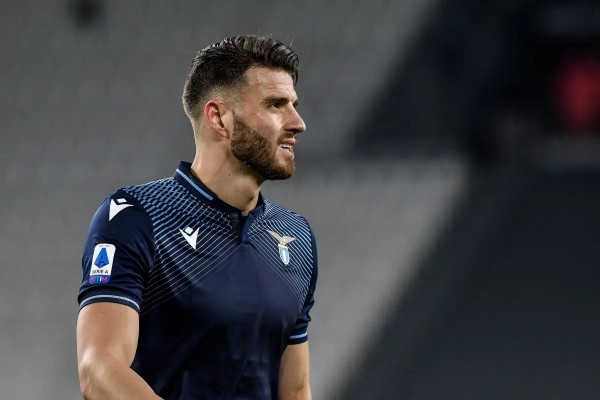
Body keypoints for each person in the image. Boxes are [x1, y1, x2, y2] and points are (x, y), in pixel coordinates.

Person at [76, 35, 317, 400]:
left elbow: (295, 390)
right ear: (218, 117)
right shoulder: (137, 216)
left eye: (293, 105)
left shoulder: (295, 236)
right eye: (275, 105)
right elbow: (99, 369)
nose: (298, 123)